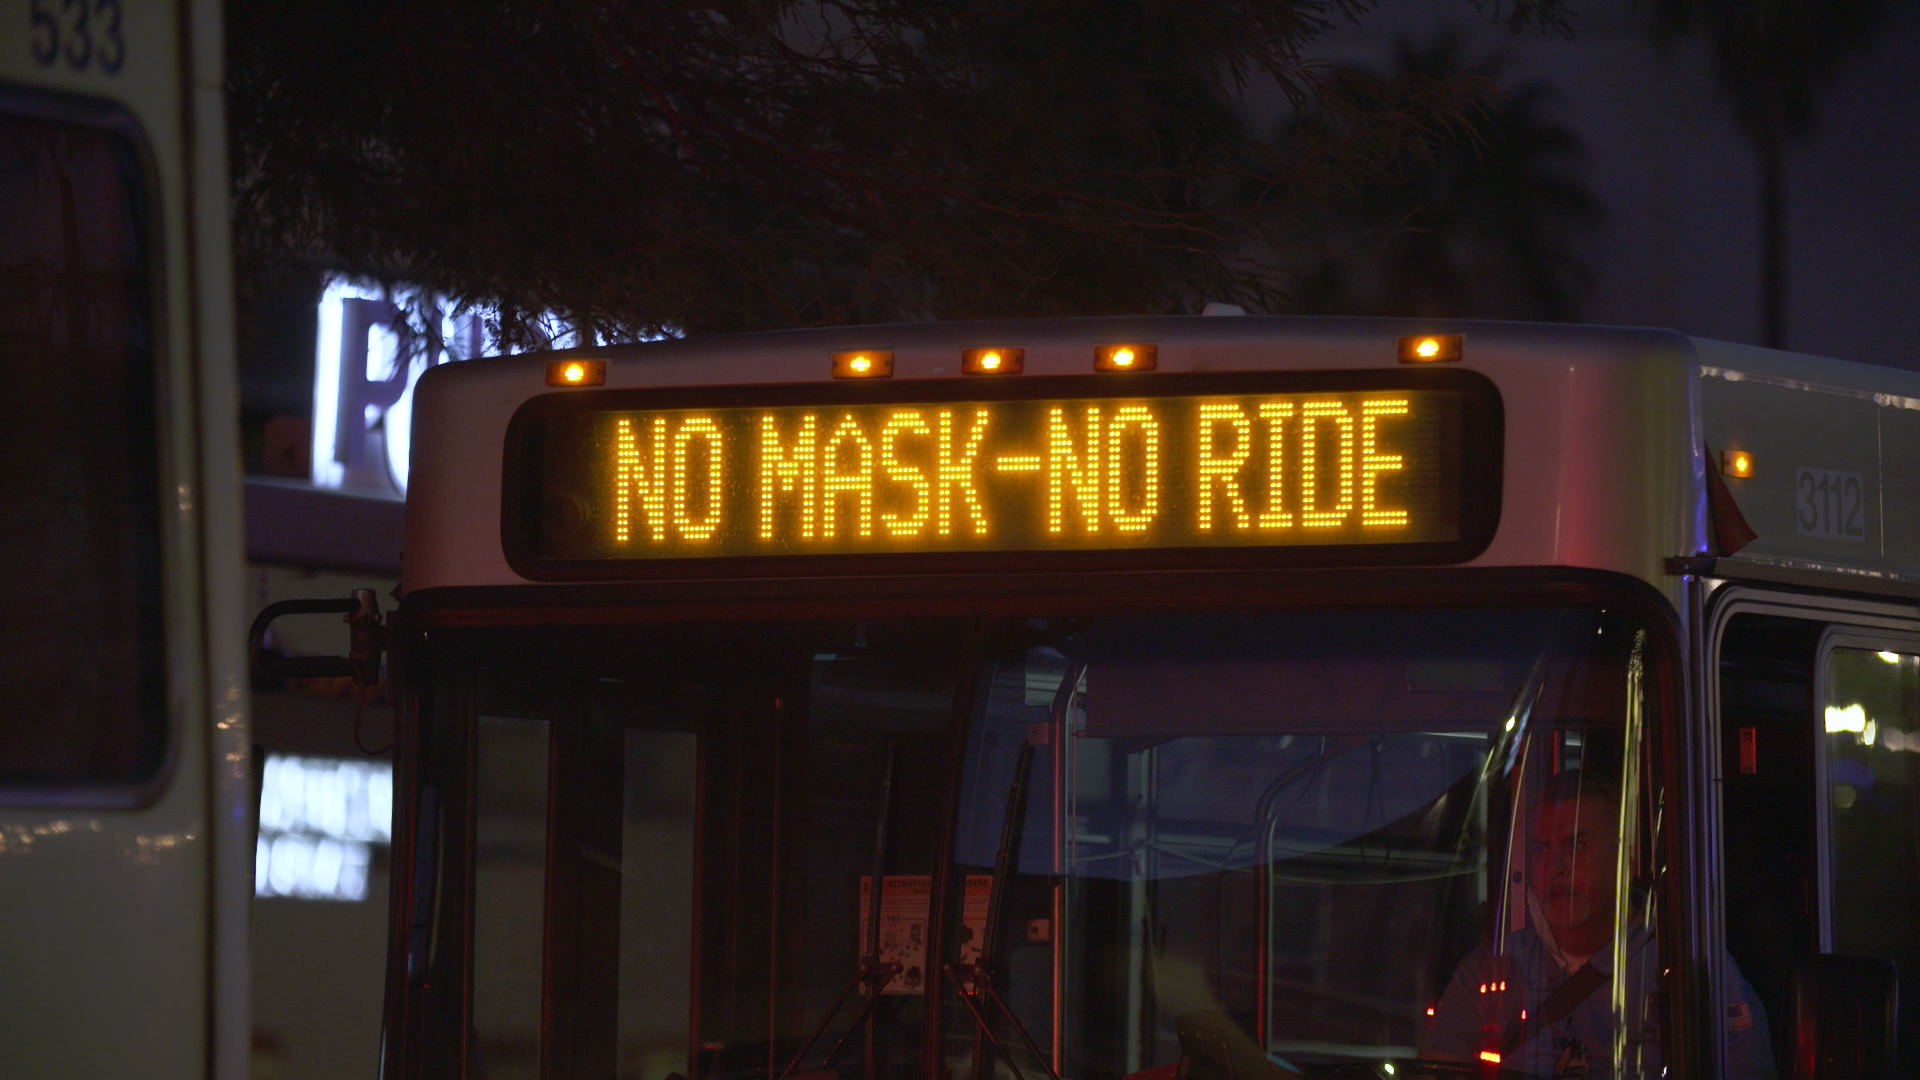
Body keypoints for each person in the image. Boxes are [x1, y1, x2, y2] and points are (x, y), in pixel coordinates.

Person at [1418, 770, 1775, 1079]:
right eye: (1542, 848)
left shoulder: (1691, 972)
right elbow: (1436, 1071)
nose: (1555, 867)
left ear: (1626, 854)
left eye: (1576, 846)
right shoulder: (1491, 972)